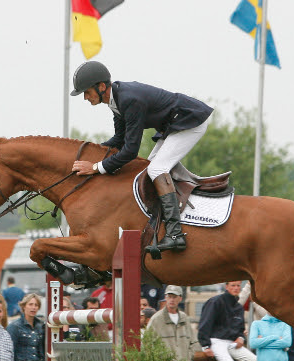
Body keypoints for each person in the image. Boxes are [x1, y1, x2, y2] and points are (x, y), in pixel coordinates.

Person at [69, 61, 214, 253]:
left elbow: (130, 151)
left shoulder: (128, 100)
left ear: (101, 86)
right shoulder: (115, 100)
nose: (86, 97)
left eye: (87, 92)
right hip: (173, 125)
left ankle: (176, 234)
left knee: (156, 169)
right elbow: (120, 139)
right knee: (148, 168)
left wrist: (95, 167)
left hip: (190, 121)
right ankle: (163, 224)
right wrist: (91, 150)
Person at [198, 281, 257, 361]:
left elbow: (241, 329)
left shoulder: (239, 307)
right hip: (216, 341)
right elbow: (205, 324)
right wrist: (205, 345)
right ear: (227, 287)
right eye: (233, 285)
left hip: (232, 343)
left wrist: (240, 338)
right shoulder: (215, 302)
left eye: (238, 286)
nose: (236, 288)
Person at [146, 285, 200, 361]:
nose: (172, 300)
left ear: (180, 298)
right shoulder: (156, 319)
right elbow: (147, 344)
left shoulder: (185, 318)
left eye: (174, 297)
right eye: (169, 296)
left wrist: (186, 359)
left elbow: (194, 343)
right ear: (165, 297)